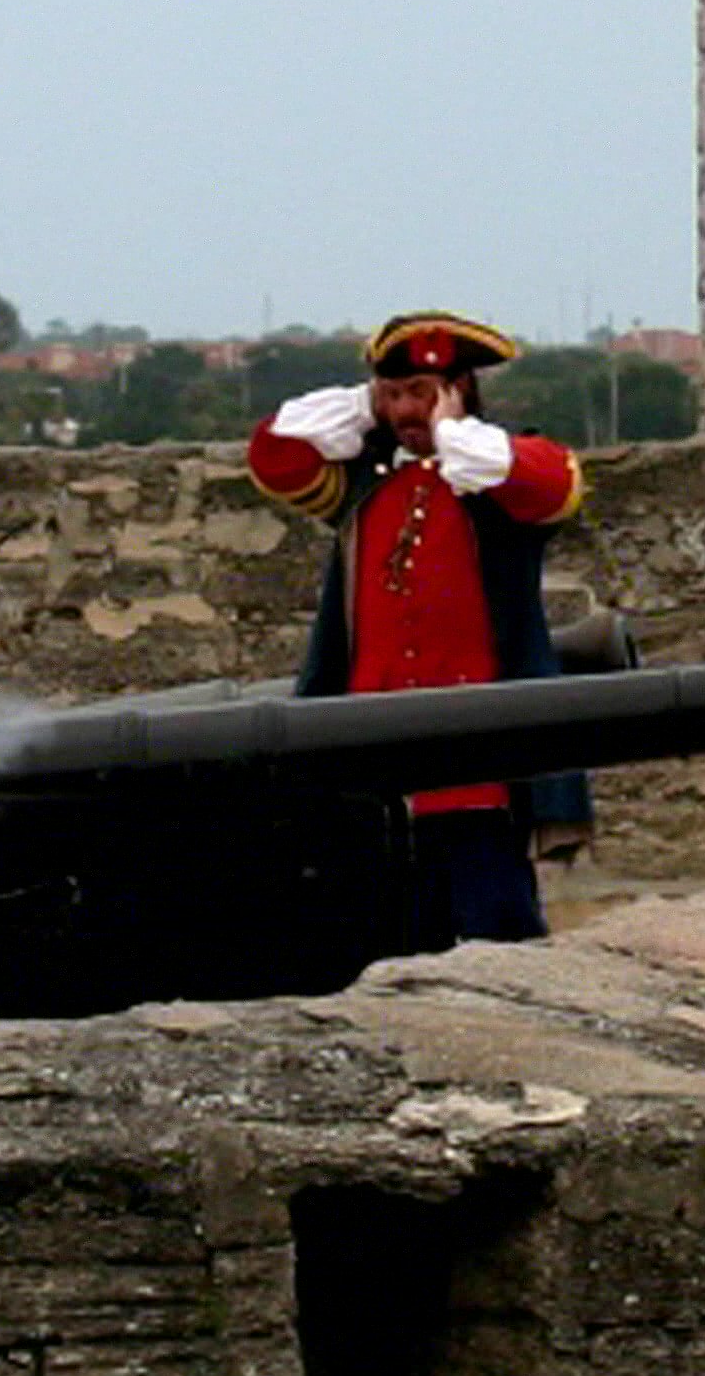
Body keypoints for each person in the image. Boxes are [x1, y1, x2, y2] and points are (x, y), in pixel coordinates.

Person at [247, 309, 587, 947]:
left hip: (478, 759)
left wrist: (454, 433)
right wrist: (361, 407)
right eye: (395, 394)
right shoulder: (364, 486)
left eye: (421, 394)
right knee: (384, 942)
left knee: (499, 932)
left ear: (459, 393)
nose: (407, 409)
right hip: (372, 751)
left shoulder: (497, 472)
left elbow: (551, 485)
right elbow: (274, 456)